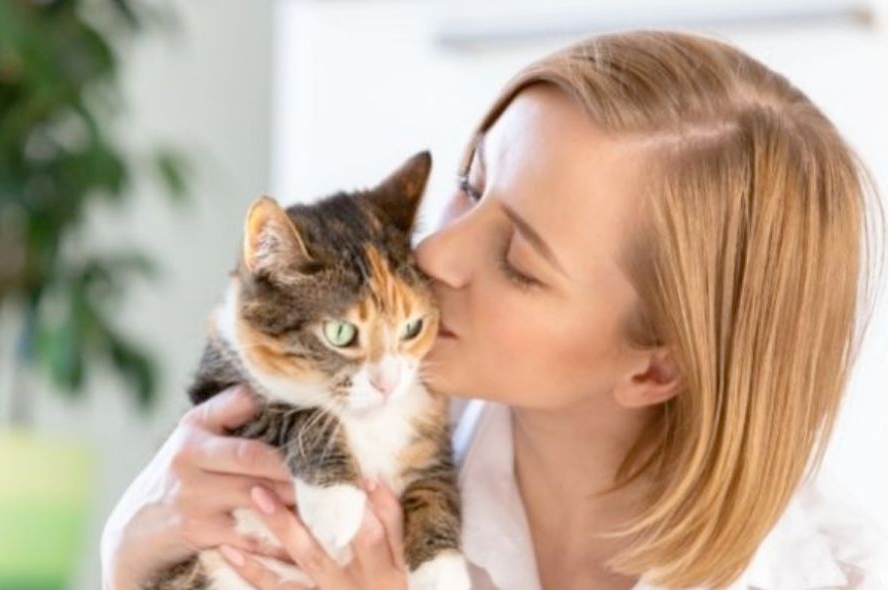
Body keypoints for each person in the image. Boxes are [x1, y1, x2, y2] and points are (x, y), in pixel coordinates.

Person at [100, 30, 887, 589]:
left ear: (654, 367)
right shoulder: (345, 449)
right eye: (471, 183)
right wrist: (130, 562)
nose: (438, 255)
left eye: (518, 263)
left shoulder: (839, 576)